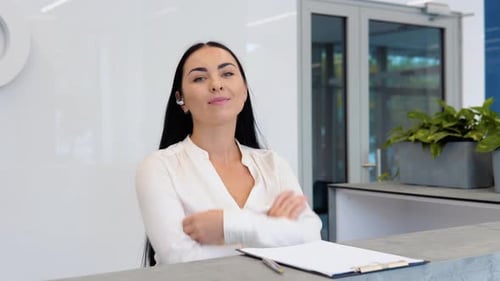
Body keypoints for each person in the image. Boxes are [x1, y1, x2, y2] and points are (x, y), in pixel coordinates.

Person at [135, 41, 322, 266]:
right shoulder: (159, 167)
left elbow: (311, 238)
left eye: (227, 73)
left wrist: (228, 226)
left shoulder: (273, 164)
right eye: (199, 78)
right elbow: (179, 260)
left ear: (244, 92)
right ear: (180, 100)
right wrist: (271, 229)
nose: (216, 84)